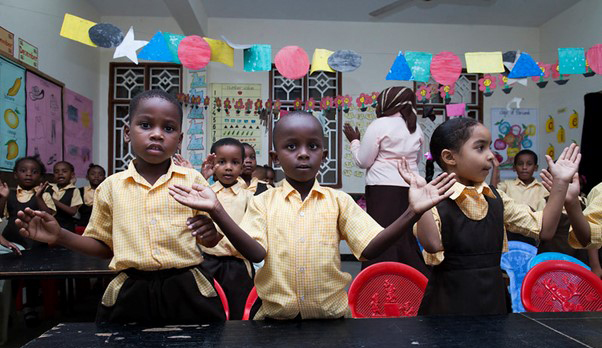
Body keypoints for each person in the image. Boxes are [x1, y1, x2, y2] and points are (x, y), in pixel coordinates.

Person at [169, 111, 456, 320]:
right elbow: (256, 253)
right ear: (275, 156)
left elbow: (370, 248)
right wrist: (217, 210)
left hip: (332, 323)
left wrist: (412, 212)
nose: (303, 154)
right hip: (274, 323)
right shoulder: (263, 202)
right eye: (291, 146)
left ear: (324, 154)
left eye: (313, 146)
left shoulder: (338, 201)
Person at [15, 89, 225, 325]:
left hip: (187, 288)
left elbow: (211, 238)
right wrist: (60, 236)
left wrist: (210, 235)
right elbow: (105, 246)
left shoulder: (193, 181)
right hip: (130, 291)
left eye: (168, 128)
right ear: (127, 132)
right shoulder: (111, 187)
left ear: (180, 138)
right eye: (145, 125)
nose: (157, 135)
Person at [406, 117, 580, 316]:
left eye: (489, 147)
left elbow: (545, 229)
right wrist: (421, 208)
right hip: (448, 307)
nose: (490, 156)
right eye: (480, 148)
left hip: (494, 303)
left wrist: (560, 184)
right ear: (449, 157)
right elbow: (432, 244)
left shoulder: (497, 198)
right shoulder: (432, 199)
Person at [343, 86, 428, 275]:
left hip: (382, 189)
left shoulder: (379, 124)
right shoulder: (416, 128)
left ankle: (378, 280)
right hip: (410, 188)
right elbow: (418, 160)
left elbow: (363, 161)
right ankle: (411, 283)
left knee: (381, 237)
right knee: (404, 237)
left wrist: (354, 141)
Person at [200, 137, 254, 320]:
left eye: (235, 162)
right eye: (221, 162)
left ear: (242, 166)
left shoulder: (249, 197)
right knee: (208, 312)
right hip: (208, 262)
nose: (228, 167)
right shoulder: (205, 192)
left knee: (238, 313)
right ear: (213, 164)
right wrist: (202, 178)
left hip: (237, 265)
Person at [492, 149, 548, 245]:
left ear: (536, 167)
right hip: (510, 234)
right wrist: (496, 168)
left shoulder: (543, 188)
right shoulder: (507, 185)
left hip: (534, 235)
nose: (524, 167)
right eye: (520, 164)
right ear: (514, 167)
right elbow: (493, 194)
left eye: (529, 164)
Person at [0, 156, 55, 249]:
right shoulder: (9, 193)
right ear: (15, 174)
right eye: (23, 171)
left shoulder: (44, 195)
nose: (28, 174)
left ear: (41, 177)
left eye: (34, 172)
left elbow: (49, 217)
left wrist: (38, 198)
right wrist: (3, 198)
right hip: (10, 239)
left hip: (35, 242)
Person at [46, 161, 83, 232]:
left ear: (72, 175)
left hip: (66, 228)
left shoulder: (74, 190)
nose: (60, 173)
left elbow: (73, 211)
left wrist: (54, 201)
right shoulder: (48, 187)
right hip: (49, 226)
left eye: (64, 171)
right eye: (56, 172)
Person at [77, 164, 106, 228]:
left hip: (102, 225)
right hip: (84, 224)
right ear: (87, 177)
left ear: (104, 178)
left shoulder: (107, 191)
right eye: (93, 174)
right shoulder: (80, 191)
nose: (96, 176)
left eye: (100, 175)